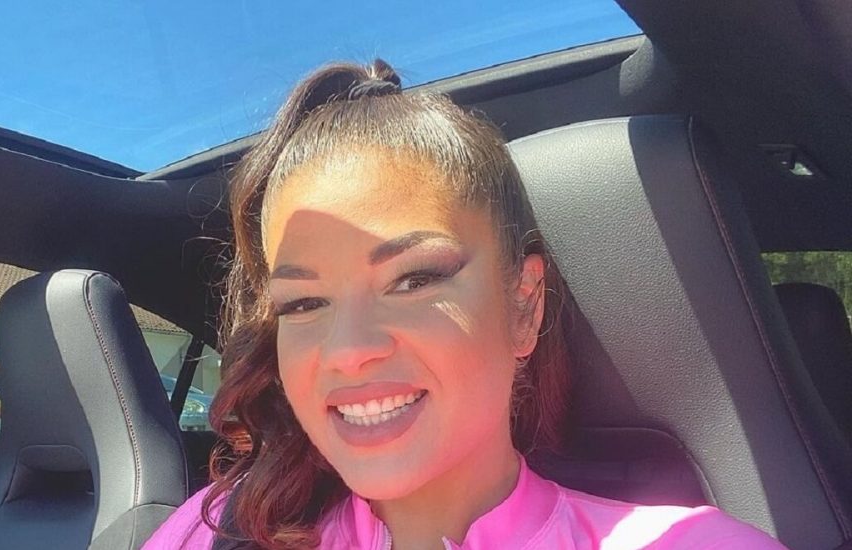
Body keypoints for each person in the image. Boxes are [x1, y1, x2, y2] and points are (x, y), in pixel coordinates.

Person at [145, 60, 786, 549]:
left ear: (524, 306)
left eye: (414, 280)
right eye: (304, 302)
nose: (348, 351)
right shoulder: (217, 529)